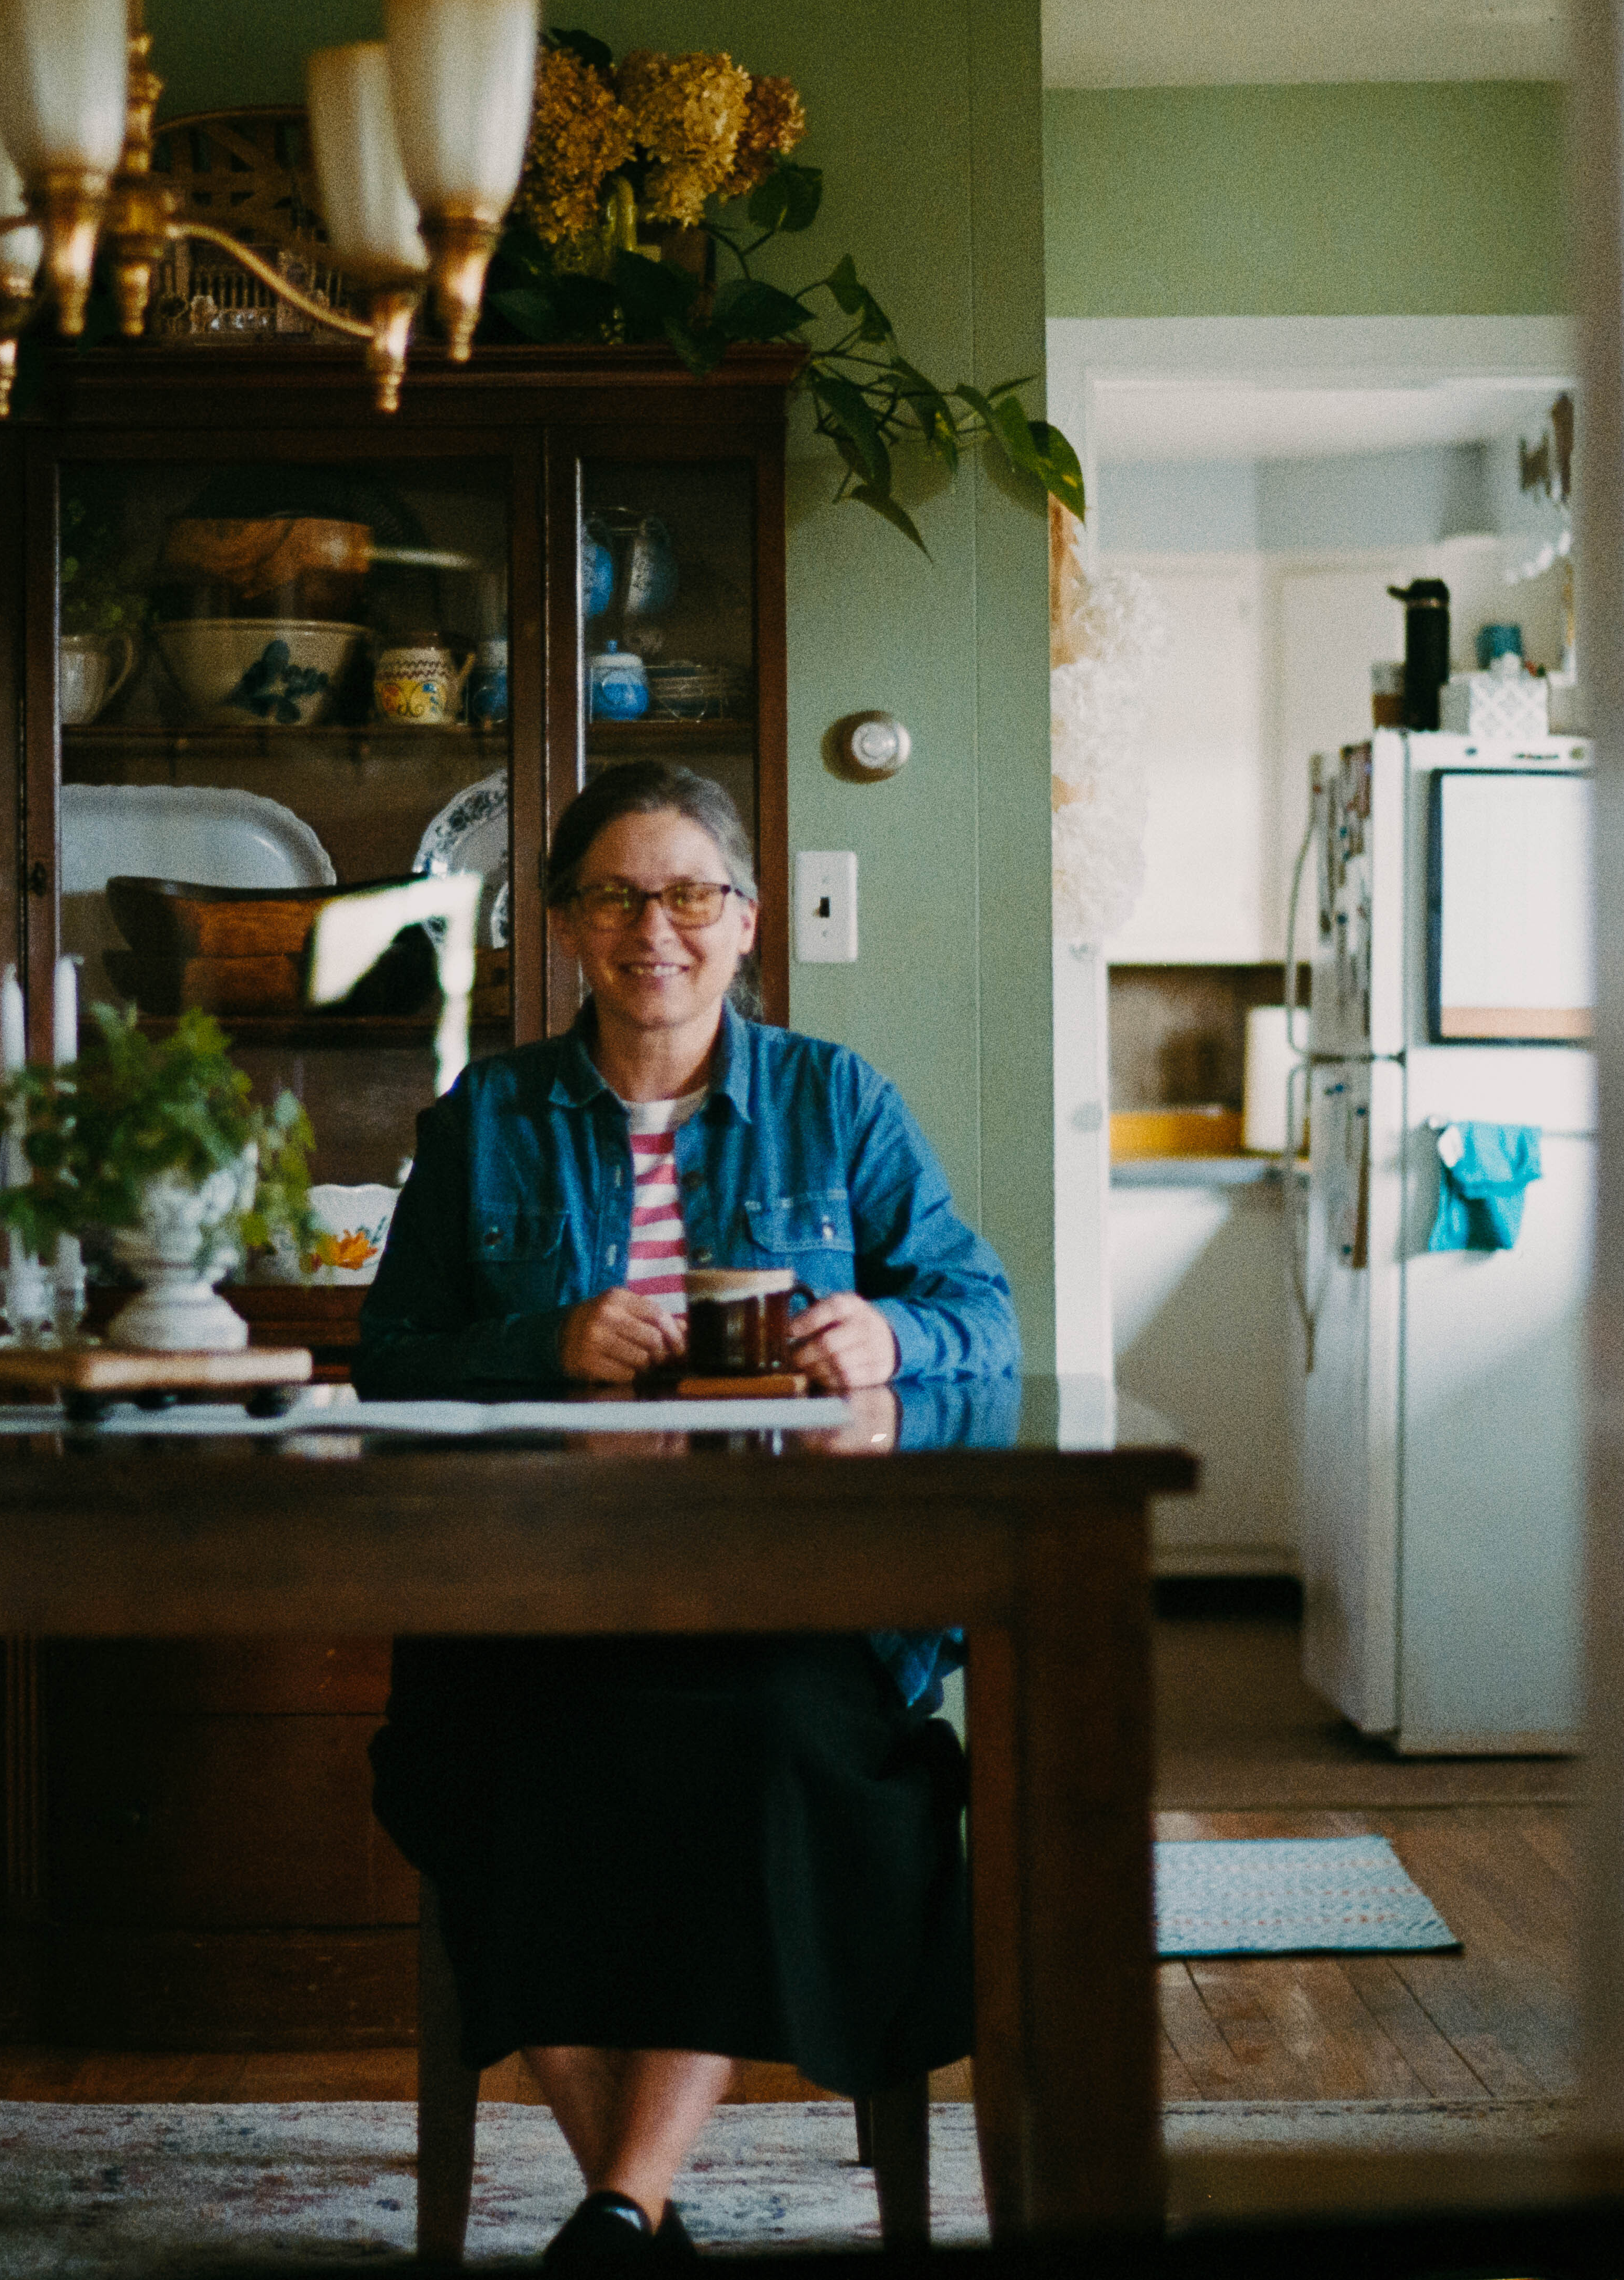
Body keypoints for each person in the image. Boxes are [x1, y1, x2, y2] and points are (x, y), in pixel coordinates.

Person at [357, 760, 1016, 2266]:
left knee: (773, 1740)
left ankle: (618, 2209)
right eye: (613, 894)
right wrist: (542, 1344)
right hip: (548, 1594)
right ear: (565, 928)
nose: (653, 927)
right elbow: (391, 1356)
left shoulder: (835, 1097)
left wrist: (887, 1340)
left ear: (744, 922)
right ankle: (628, 2211)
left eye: (689, 894)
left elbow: (979, 1308)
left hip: (787, 1601)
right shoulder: (487, 1117)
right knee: (494, 1755)